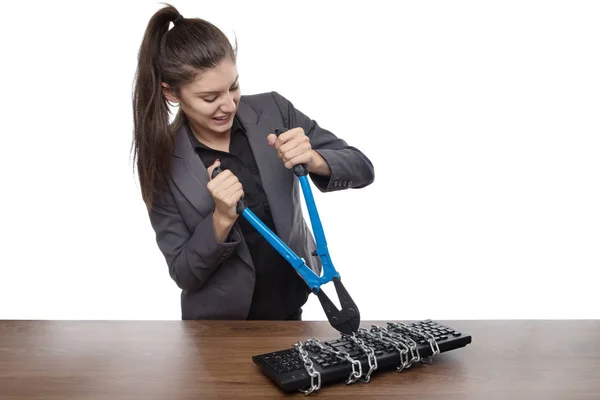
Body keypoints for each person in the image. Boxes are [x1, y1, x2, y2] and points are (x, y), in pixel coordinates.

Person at [131, 4, 375, 321]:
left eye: (233, 87)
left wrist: (313, 158)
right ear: (171, 93)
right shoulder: (161, 158)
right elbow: (185, 274)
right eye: (209, 97)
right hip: (217, 332)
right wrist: (220, 218)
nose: (228, 105)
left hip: (292, 313)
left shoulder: (274, 110)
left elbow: (362, 168)